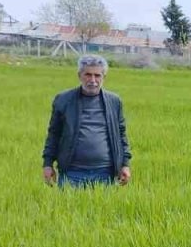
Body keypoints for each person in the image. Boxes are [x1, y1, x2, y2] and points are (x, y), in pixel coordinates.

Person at [42, 54, 132, 187]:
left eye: (97, 75)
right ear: (79, 75)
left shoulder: (114, 102)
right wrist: (47, 164)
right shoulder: (63, 100)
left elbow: (121, 135)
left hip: (105, 173)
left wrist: (125, 165)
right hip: (72, 172)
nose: (93, 80)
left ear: (104, 77)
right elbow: (53, 134)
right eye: (88, 75)